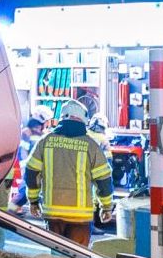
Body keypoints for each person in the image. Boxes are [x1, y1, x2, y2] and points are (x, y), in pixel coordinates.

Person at [22, 99, 114, 247]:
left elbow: (31, 172)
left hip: (53, 213)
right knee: (77, 256)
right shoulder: (91, 146)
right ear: (83, 120)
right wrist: (106, 207)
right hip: (80, 216)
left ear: (62, 117)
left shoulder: (45, 141)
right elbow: (104, 179)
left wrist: (33, 201)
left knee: (57, 256)